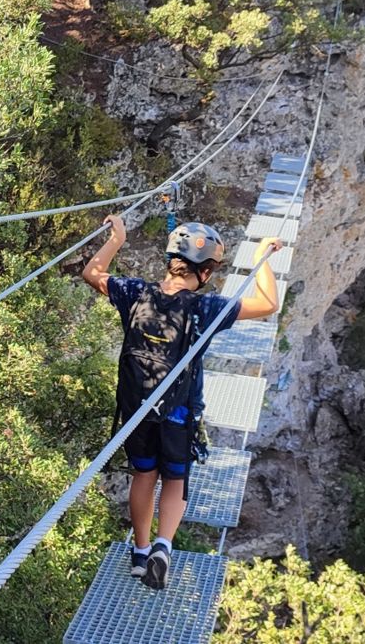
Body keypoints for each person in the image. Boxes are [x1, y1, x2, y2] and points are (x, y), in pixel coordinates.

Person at [81, 215, 281, 590]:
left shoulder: (134, 292)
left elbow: (93, 273)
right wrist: (263, 255)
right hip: (178, 411)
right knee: (175, 479)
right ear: (204, 273)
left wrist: (117, 239)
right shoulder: (208, 310)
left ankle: (139, 553)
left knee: (144, 475)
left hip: (136, 410)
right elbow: (268, 303)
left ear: (170, 259)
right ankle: (162, 546)